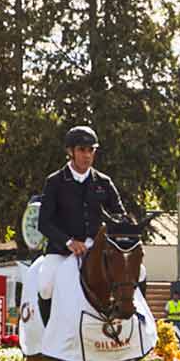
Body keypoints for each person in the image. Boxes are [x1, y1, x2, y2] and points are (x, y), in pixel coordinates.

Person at [35, 125, 129, 325]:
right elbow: (44, 223)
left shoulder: (103, 182)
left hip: (97, 248)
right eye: (82, 150)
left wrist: (120, 226)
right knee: (45, 286)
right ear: (70, 151)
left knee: (139, 273)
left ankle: (134, 327)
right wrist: (69, 242)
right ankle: (49, 334)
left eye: (91, 150)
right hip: (62, 250)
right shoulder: (55, 181)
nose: (87, 155)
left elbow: (120, 214)